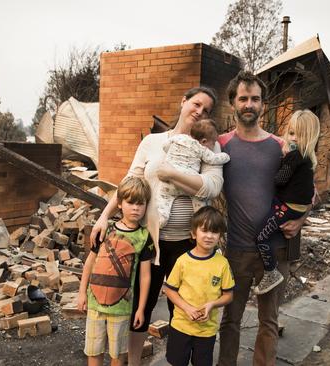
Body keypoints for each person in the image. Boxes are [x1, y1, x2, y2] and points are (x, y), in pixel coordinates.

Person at [90, 86, 224, 365]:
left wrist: (172, 174)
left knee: (183, 310)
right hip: (149, 243)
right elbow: (129, 183)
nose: (200, 112)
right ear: (183, 102)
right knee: (142, 306)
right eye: (196, 104)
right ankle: (135, 362)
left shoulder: (208, 146)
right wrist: (104, 215)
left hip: (190, 247)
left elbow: (212, 186)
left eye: (207, 110)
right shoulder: (153, 142)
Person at [218, 71, 310, 366]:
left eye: (255, 99)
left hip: (275, 249)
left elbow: (309, 190)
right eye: (243, 98)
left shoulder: (282, 147)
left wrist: (301, 221)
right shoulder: (220, 146)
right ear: (232, 104)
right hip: (237, 251)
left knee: (268, 320)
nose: (249, 104)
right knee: (230, 319)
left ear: (263, 105)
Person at [77, 176, 154, 366]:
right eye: (130, 202)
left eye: (140, 203)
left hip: (122, 308)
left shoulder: (144, 237)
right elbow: (89, 262)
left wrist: (141, 309)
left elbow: (145, 277)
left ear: (146, 206)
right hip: (95, 305)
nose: (135, 208)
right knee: (94, 351)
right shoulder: (104, 229)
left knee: (117, 355)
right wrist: (81, 294)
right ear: (119, 203)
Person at [253, 110, 320, 295]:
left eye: (300, 135)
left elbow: (280, 180)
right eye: (291, 133)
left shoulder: (293, 157)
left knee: (261, 236)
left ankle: (270, 271)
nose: (294, 138)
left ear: (309, 137)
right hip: (295, 207)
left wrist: (275, 169)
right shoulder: (307, 159)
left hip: (287, 208)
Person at [164, 206, 234, 366]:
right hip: (181, 326)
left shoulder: (222, 264)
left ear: (220, 236)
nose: (209, 236)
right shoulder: (183, 261)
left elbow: (228, 295)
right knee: (177, 362)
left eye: (214, 232)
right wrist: (187, 308)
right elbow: (169, 289)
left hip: (206, 329)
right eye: (204, 230)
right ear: (194, 233)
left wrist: (212, 304)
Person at [158, 119, 230, 227]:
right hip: (188, 184)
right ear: (204, 141)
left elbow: (165, 146)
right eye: (214, 142)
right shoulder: (201, 148)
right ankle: (201, 221)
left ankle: (162, 218)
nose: (214, 145)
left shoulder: (179, 138)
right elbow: (213, 159)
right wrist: (226, 156)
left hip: (168, 184)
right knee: (200, 199)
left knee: (163, 197)